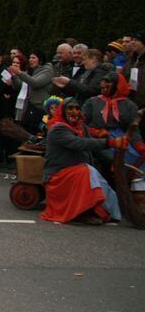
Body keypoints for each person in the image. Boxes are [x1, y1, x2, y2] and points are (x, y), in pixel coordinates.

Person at [40, 97, 122, 225]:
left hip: (77, 174)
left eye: (77, 108)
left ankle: (109, 211)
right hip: (58, 176)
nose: (74, 112)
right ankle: (82, 213)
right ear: (62, 111)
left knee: (95, 175)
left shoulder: (81, 128)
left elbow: (95, 149)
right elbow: (80, 143)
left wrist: (113, 162)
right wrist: (110, 142)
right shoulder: (57, 129)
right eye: (70, 109)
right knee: (86, 171)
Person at [82, 73, 144, 172]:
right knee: (111, 159)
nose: (103, 86)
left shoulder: (129, 105)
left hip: (121, 137)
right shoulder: (92, 102)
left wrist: (140, 146)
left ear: (117, 86)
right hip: (98, 138)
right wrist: (94, 132)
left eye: (108, 84)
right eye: (103, 83)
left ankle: (131, 184)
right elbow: (80, 123)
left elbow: (133, 130)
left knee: (136, 158)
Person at [10, 50, 54, 133]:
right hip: (30, 105)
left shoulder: (47, 70)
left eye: (33, 58)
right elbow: (20, 86)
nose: (30, 60)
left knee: (37, 131)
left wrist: (19, 73)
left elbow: (36, 83)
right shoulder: (32, 71)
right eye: (30, 58)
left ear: (40, 60)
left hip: (40, 107)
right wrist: (14, 77)